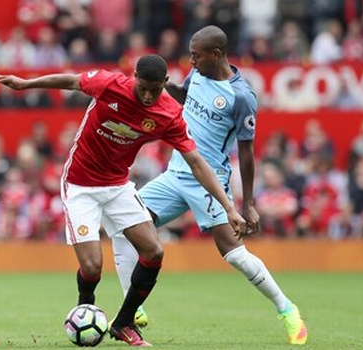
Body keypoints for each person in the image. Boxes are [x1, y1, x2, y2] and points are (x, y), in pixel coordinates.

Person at [0, 54, 247, 347]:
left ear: (165, 83)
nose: (149, 95)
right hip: (80, 184)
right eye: (143, 87)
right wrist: (26, 85)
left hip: (117, 185)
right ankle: (85, 310)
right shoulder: (110, 84)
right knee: (92, 269)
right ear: (134, 76)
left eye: (155, 89)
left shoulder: (169, 114)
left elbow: (197, 163)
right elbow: (71, 80)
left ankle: (124, 323)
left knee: (153, 252)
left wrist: (229, 208)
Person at [112, 26, 308, 345]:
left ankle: (287, 310)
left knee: (232, 253)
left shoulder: (241, 97)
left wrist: (247, 204)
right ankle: (134, 310)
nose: (191, 61)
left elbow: (246, 154)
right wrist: (164, 87)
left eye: (196, 55)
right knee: (123, 224)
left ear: (216, 55)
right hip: (176, 173)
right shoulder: (198, 76)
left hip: (209, 181)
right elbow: (188, 97)